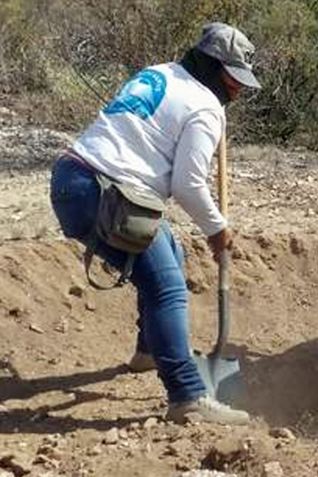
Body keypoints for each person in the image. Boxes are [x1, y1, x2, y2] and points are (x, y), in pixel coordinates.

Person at [49, 23, 261, 424]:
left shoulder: (161, 71)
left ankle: (148, 350)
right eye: (233, 78)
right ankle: (186, 396)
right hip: (107, 194)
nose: (237, 90)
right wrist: (217, 229)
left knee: (170, 251)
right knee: (168, 289)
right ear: (212, 66)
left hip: (70, 179)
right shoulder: (204, 107)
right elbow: (187, 184)